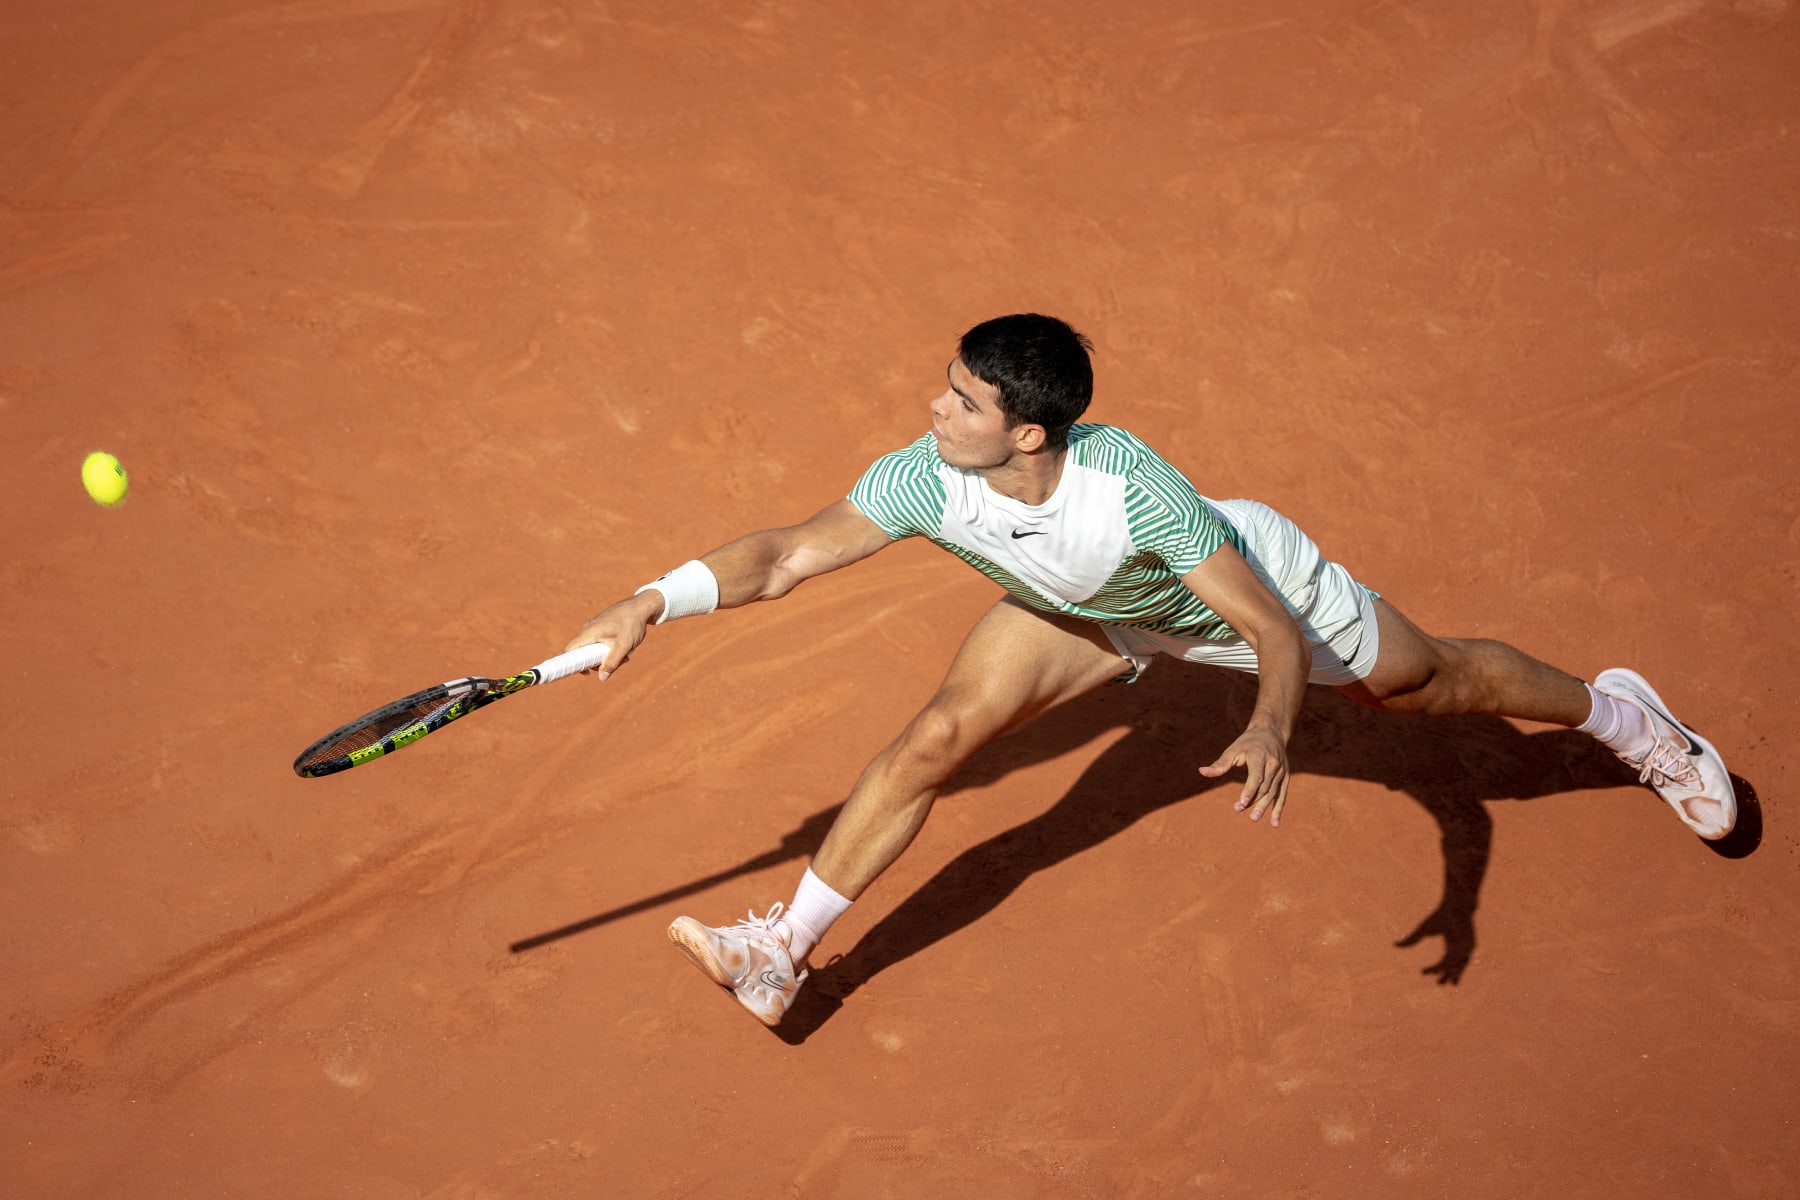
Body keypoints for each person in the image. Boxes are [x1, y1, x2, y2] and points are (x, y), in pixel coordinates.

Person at [561, 313, 1736, 1028]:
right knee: (938, 737)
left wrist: (1273, 727)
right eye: (948, 383)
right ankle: (784, 952)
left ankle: (1626, 720)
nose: (936, 407)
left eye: (963, 400)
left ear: (1030, 432)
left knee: (1434, 685)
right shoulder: (928, 474)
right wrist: (652, 599)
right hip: (1087, 612)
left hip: (1241, 597)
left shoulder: (1136, 496)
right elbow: (780, 558)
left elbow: (1273, 637)